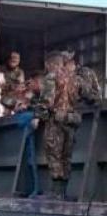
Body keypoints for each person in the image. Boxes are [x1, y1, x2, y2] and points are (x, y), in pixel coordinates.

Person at [35, 52, 99, 199]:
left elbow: (46, 102)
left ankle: (56, 193)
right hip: (71, 121)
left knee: (54, 155)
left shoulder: (51, 77)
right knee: (66, 156)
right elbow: (92, 97)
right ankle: (63, 192)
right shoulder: (76, 79)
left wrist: (38, 117)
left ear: (50, 64)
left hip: (55, 121)